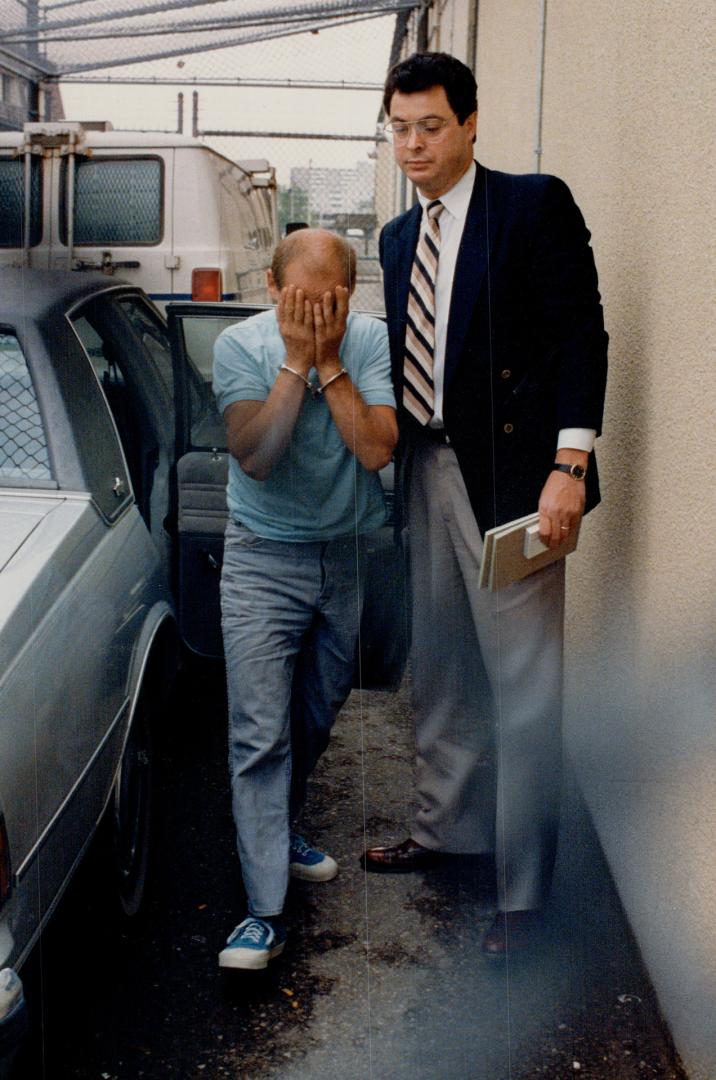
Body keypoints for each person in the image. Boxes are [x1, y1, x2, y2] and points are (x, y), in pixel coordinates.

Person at [361, 52, 608, 955]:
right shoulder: (394, 239)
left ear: (470, 124)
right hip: (425, 471)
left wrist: (569, 466)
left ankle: (526, 897)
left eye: (430, 125)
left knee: (525, 689)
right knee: (443, 669)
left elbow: (583, 330)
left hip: (515, 482)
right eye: (399, 127)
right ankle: (446, 832)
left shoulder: (531, 205)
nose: (414, 144)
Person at [214, 228, 397, 970]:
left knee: (315, 715)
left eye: (332, 301)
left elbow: (378, 448)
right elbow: (255, 456)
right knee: (260, 733)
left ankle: (277, 829)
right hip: (262, 558)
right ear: (271, 288)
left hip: (348, 557)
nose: (318, 312)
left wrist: (330, 363)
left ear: (352, 296)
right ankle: (263, 912)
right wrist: (297, 363)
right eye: (302, 299)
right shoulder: (240, 346)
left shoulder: (372, 342)